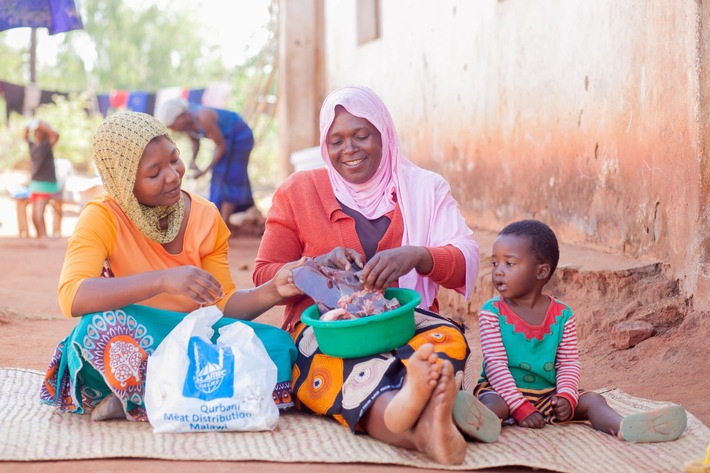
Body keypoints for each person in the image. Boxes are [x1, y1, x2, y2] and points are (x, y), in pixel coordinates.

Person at [252, 85, 500, 465]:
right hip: (327, 331)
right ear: (324, 145)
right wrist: (317, 264)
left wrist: (418, 256)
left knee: (446, 338)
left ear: (383, 133)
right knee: (338, 365)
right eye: (336, 140)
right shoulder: (298, 192)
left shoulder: (424, 188)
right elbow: (264, 275)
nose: (348, 149)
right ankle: (423, 423)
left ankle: (419, 407)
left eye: (361, 135)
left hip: (405, 324)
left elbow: (465, 258)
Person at [39, 111, 305, 422]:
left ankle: (142, 394)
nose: (173, 175)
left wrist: (273, 290)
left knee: (278, 345)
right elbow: (72, 295)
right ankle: (182, 393)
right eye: (154, 174)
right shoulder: (102, 216)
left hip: (193, 342)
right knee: (95, 328)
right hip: (134, 342)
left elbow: (223, 305)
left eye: (174, 159)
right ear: (124, 182)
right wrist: (163, 280)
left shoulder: (206, 216)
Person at [468, 219, 688, 442]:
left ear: (541, 271)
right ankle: (471, 425)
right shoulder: (492, 312)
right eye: (495, 264)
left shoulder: (563, 315)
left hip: (547, 396)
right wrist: (519, 407)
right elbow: (495, 365)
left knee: (593, 400)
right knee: (493, 405)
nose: (498, 272)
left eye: (509, 264)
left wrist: (566, 396)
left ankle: (625, 427)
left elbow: (568, 363)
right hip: (502, 392)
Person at [155, 98, 256, 226]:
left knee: (231, 176)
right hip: (224, 140)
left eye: (172, 125)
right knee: (219, 175)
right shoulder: (187, 125)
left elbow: (221, 146)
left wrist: (205, 170)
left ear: (180, 117)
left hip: (240, 135)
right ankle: (222, 220)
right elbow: (195, 142)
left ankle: (223, 223)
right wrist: (193, 161)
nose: (174, 130)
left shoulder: (203, 116)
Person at [24, 119, 60, 243]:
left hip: (45, 184)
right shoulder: (33, 146)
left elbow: (55, 135)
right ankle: (41, 236)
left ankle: (43, 237)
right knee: (34, 214)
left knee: (39, 213)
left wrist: (43, 127)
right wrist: (28, 128)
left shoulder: (47, 145)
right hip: (35, 184)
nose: (36, 134)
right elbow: (25, 136)